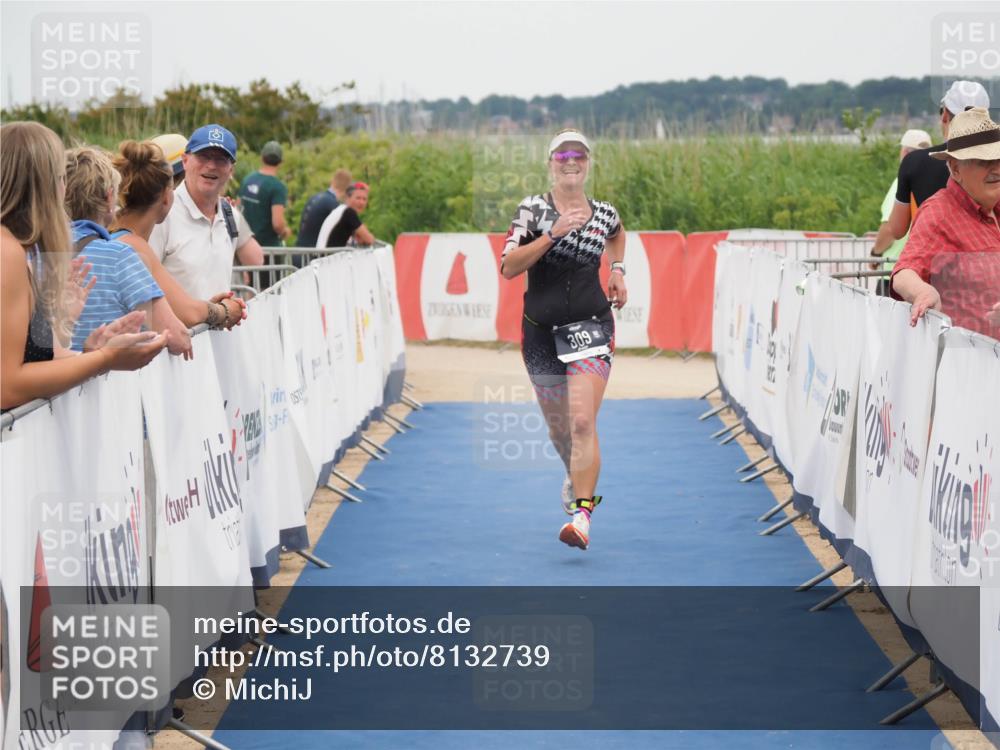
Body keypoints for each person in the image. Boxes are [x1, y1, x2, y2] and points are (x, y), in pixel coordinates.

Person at [500, 128, 627, 551]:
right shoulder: (532, 210)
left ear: (588, 163)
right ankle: (575, 476)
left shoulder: (604, 212)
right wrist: (551, 234)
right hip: (540, 331)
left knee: (581, 421)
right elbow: (508, 267)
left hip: (591, 325)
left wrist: (617, 269)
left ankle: (582, 516)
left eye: (579, 154)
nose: (570, 160)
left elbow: (617, 234)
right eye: (562, 154)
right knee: (560, 433)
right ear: (550, 162)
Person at [1, 121, 165, 410]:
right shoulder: (8, 253)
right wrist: (104, 359)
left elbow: (36, 361)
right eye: (61, 177)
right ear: (47, 184)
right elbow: (6, 385)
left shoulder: (19, 250)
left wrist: (90, 351)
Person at [63, 145, 193, 357]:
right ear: (109, 197)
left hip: (50, 385)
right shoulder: (119, 256)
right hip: (114, 384)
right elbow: (177, 337)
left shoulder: (34, 254)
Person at [110, 140, 246, 331]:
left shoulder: (109, 238)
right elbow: (187, 313)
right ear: (167, 197)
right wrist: (225, 310)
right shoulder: (134, 247)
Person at [891, 107, 1000, 337]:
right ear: (955, 168)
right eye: (983, 160)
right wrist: (923, 292)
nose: (996, 168)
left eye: (999, 158)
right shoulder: (940, 213)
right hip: (969, 363)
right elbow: (904, 272)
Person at [148, 124, 264, 299]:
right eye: (203, 156)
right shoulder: (162, 214)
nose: (211, 165)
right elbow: (146, 287)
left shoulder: (230, 215)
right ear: (185, 161)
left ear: (231, 170)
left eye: (221, 159)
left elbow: (256, 260)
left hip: (221, 326)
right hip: (174, 327)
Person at [887, 80, 990, 241]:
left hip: (935, 258)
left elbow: (897, 229)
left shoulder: (914, 162)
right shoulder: (993, 161)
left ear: (945, 115)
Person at [869, 129, 932, 295]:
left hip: (893, 272)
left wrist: (875, 253)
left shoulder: (901, 183)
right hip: (920, 272)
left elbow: (890, 228)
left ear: (904, 152)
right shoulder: (933, 181)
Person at [237, 140, 291, 248]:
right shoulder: (278, 187)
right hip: (268, 249)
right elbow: (278, 223)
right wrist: (285, 231)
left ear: (262, 158)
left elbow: (237, 209)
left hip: (245, 246)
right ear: (280, 162)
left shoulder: (247, 179)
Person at [296, 168, 352, 249]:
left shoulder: (315, 198)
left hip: (299, 251)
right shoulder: (333, 205)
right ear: (347, 188)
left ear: (333, 181)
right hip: (313, 255)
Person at [316, 181, 375, 248]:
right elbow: (369, 239)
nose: (361, 202)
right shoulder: (348, 213)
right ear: (347, 198)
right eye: (358, 198)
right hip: (328, 256)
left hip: (323, 255)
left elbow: (361, 239)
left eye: (364, 199)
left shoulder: (340, 210)